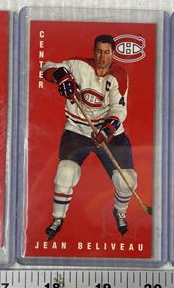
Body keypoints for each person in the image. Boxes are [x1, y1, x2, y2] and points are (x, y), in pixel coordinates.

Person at [41, 34, 137, 240]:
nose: (102, 57)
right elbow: (47, 66)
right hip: (77, 129)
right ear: (94, 51)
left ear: (113, 53)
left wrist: (106, 130)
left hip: (109, 134)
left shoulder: (119, 75)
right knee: (66, 172)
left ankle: (120, 211)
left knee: (127, 180)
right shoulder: (78, 65)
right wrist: (60, 76)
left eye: (107, 52)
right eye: (99, 51)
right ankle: (58, 218)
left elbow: (119, 110)